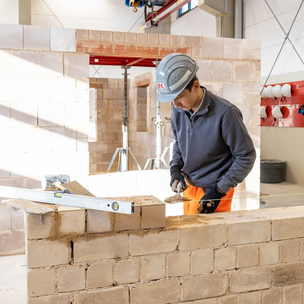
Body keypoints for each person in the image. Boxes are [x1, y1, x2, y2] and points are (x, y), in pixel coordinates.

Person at [155, 53, 256, 214]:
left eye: (179, 97)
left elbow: (246, 156)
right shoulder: (178, 109)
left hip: (215, 194)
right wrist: (175, 168)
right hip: (190, 188)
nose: (175, 104)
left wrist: (219, 190)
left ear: (195, 86)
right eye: (172, 99)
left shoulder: (225, 113)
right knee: (189, 236)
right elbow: (179, 144)